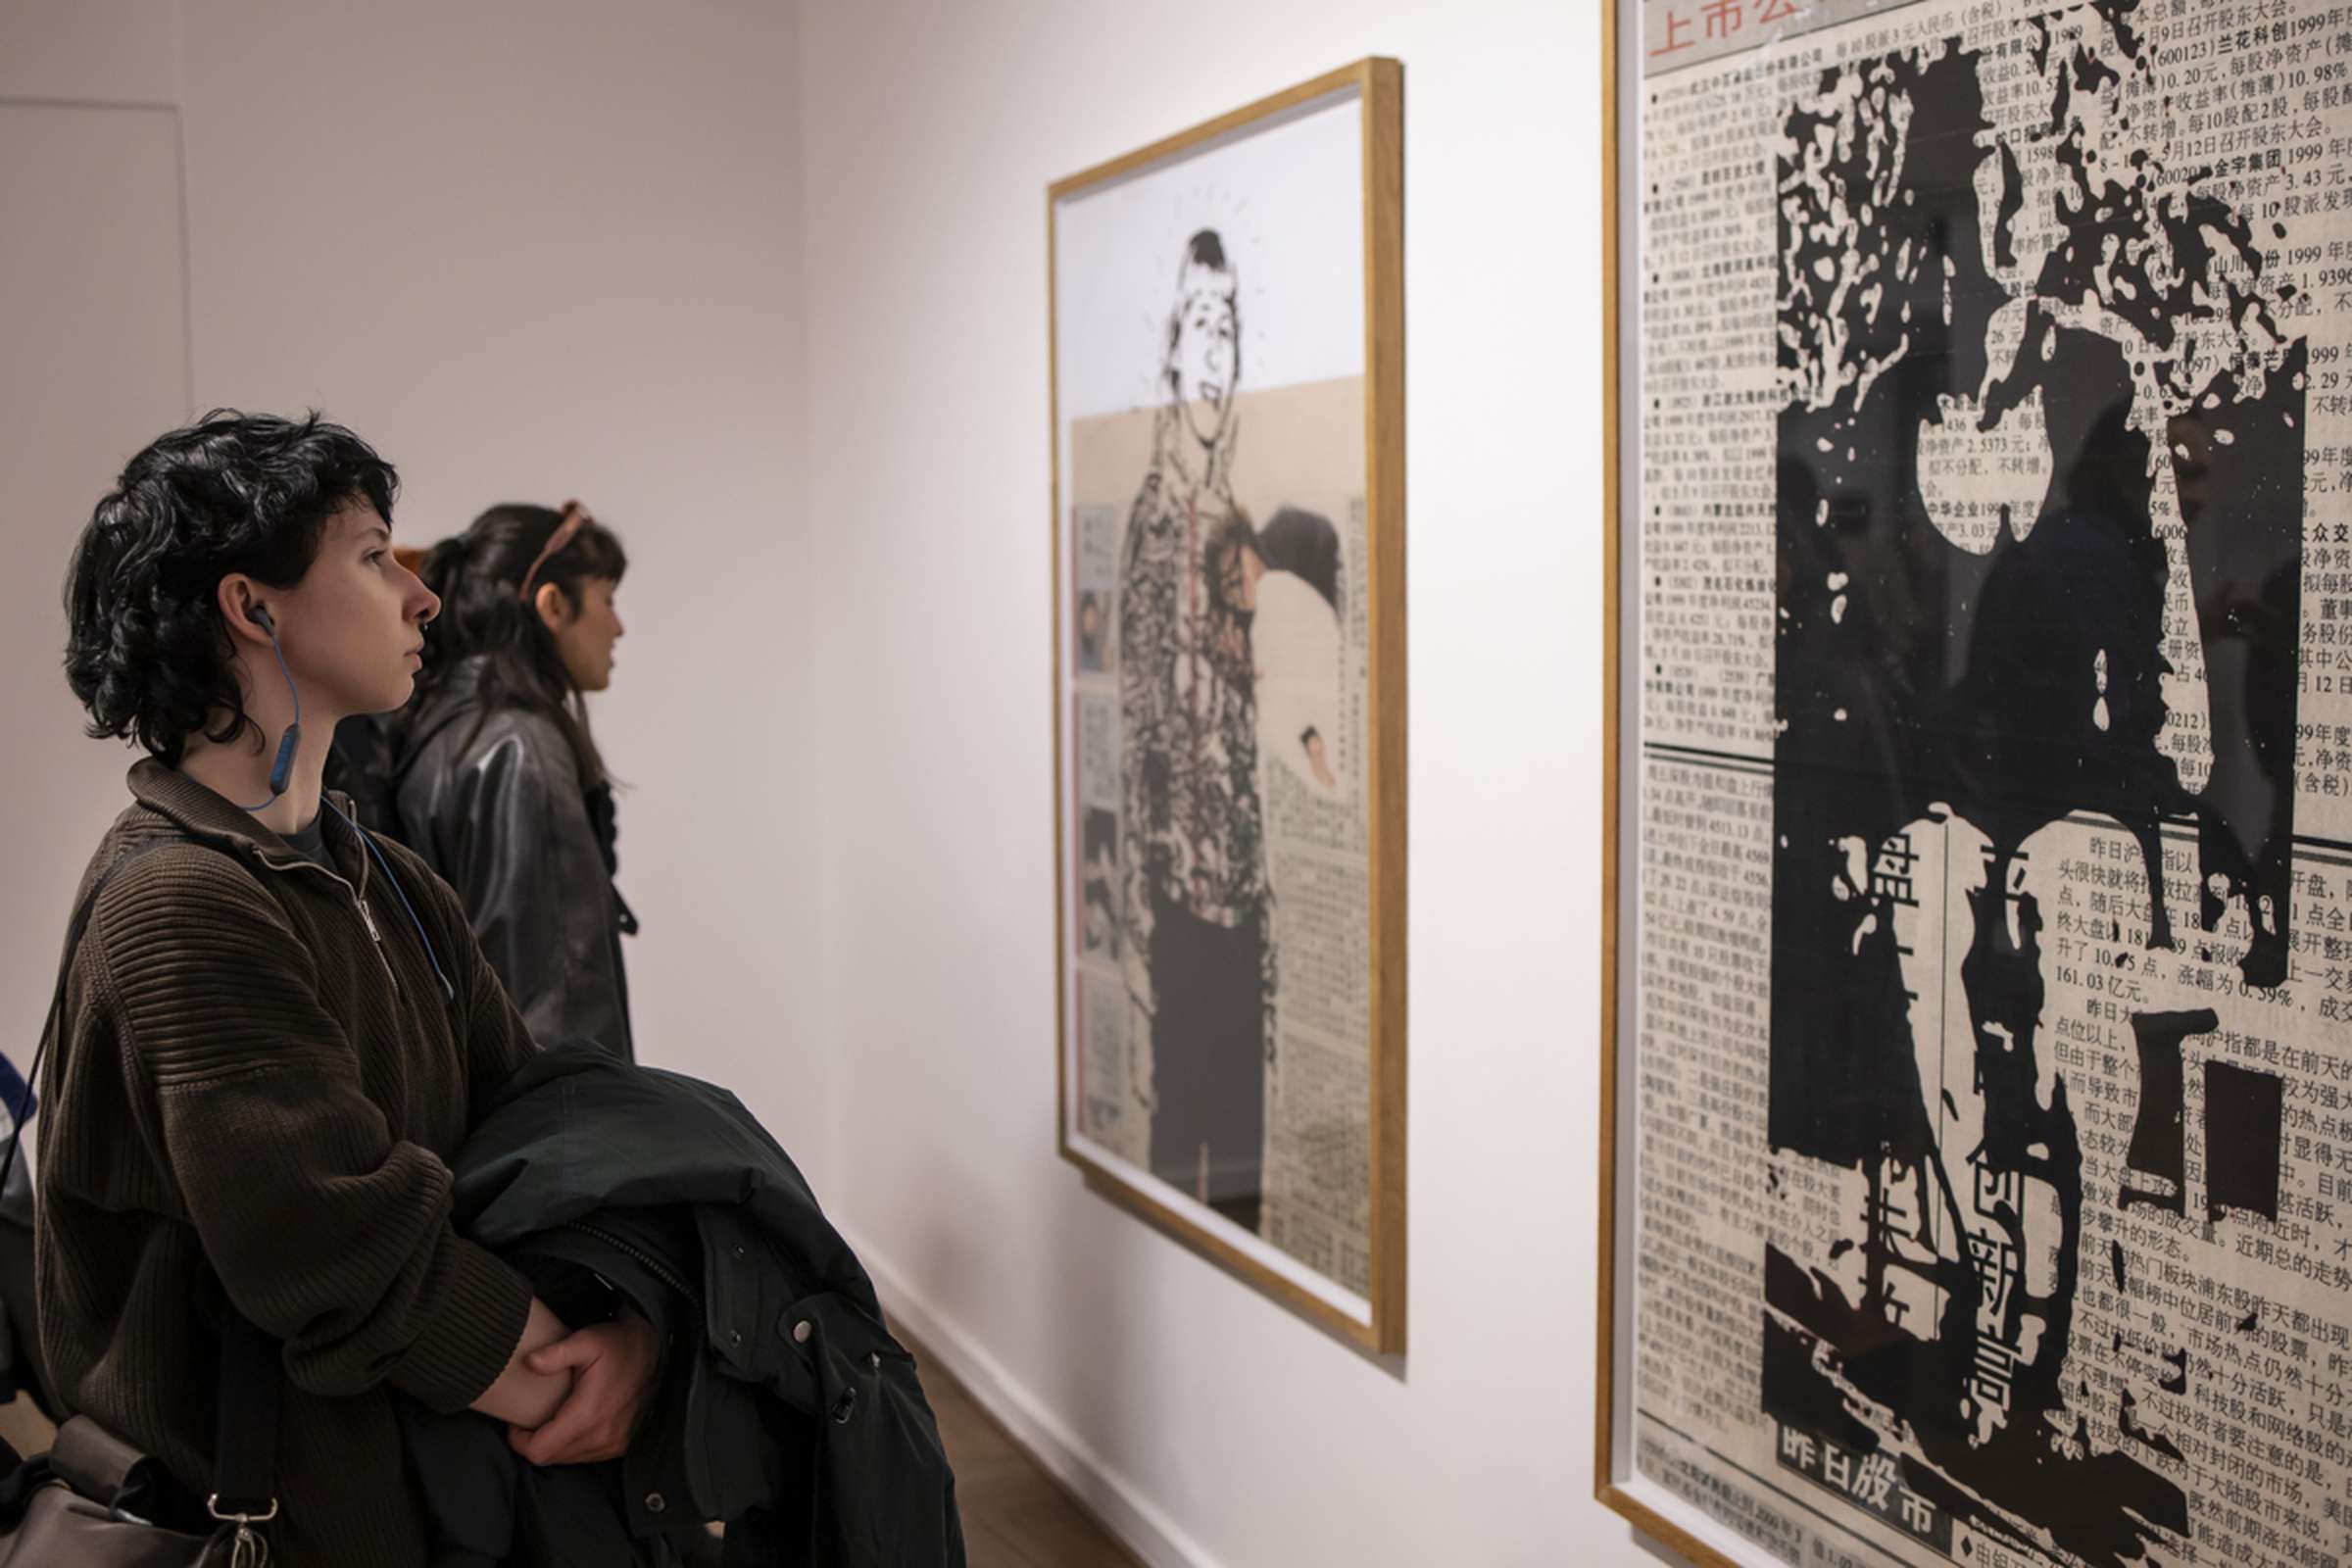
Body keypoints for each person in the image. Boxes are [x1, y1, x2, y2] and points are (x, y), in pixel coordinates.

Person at [48, 411, 661, 1565]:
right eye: (376, 556)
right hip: (274, 1534)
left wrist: (640, 1326)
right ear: (254, 607)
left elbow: (533, 1127)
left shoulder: (386, 877)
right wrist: (598, 1375)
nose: (422, 596)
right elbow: (347, 1260)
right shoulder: (181, 902)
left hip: (419, 1499)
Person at [1116, 228, 1272, 1232]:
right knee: (1184, 1159)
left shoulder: (1235, 513)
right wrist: (1142, 919)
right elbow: (1138, 723)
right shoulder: (1158, 516)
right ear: (1174, 349)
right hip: (1179, 907)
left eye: (1230, 329)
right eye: (1202, 325)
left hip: (1241, 903)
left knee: (1243, 1175)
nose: (1216, 350)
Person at [391, 502, 636, 1059]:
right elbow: (558, 1011)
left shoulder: (442, 727)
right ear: (553, 606)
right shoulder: (522, 751)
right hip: (542, 1111)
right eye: (607, 599)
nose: (618, 626)